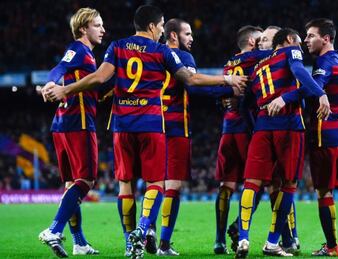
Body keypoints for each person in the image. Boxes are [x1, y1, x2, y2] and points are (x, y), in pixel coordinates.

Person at [44, 5, 247, 259]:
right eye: (161, 26)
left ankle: (130, 243)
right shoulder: (161, 50)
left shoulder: (117, 46)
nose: (162, 31)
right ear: (152, 26)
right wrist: (227, 80)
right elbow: (190, 79)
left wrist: (66, 89)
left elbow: (99, 77)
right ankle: (142, 228)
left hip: (121, 125)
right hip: (151, 124)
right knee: (155, 183)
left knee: (125, 185)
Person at [275, 18, 338, 258]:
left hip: (325, 135)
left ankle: (333, 246)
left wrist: (285, 98)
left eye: (311, 36)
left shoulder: (324, 62)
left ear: (325, 38)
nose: (306, 40)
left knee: (324, 191)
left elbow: (313, 87)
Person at [235, 28, 330, 259]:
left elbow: (244, 106)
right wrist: (321, 94)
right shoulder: (291, 51)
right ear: (289, 40)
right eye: (299, 40)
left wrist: (255, 125)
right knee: (288, 185)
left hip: (262, 127)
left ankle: (243, 237)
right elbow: (299, 72)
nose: (302, 45)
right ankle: (271, 242)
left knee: (251, 183)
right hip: (289, 125)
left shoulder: (257, 67)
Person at [151, 18, 240, 256]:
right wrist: (230, 88)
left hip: (150, 124)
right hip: (176, 127)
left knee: (154, 184)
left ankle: (146, 227)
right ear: (173, 36)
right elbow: (194, 86)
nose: (191, 38)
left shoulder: (154, 56)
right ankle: (164, 243)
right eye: (187, 34)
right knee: (172, 186)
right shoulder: (183, 57)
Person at [38, 7, 104, 258]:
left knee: (70, 185)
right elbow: (59, 67)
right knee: (86, 181)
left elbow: (58, 69)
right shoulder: (79, 49)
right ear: (83, 28)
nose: (103, 29)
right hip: (80, 123)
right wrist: (52, 82)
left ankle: (79, 243)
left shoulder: (83, 53)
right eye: (97, 25)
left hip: (61, 124)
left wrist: (52, 82)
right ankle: (54, 229)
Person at [213, 25, 272, 255]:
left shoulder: (229, 64)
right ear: (250, 42)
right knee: (256, 183)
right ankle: (238, 225)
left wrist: (223, 101)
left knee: (226, 186)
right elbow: (278, 52)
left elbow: (219, 92)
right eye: (260, 40)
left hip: (228, 129)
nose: (262, 44)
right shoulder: (253, 58)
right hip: (248, 130)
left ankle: (219, 241)